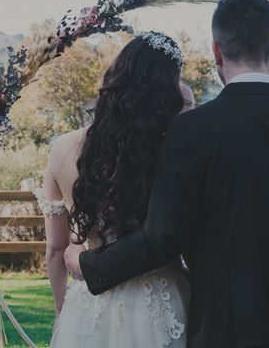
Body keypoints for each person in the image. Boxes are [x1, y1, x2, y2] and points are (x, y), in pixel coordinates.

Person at [65, 0, 269, 348]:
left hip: (225, 330)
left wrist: (90, 267)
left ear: (217, 51)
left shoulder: (190, 132)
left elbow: (163, 236)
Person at [38, 31, 191, 347]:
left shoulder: (63, 148)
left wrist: (62, 314)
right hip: (163, 299)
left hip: (90, 303)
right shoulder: (172, 150)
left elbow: (55, 250)